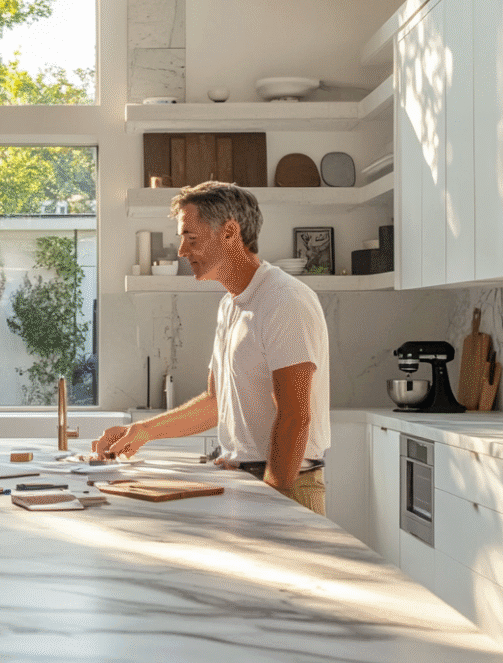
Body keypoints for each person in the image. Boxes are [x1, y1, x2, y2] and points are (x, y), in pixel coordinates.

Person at [93, 181, 331, 513]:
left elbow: (295, 416)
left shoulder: (283, 299)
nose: (181, 251)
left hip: (285, 487)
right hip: (243, 483)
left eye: (191, 238)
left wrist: (269, 500)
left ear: (230, 232)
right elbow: (216, 402)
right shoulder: (231, 305)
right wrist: (143, 431)